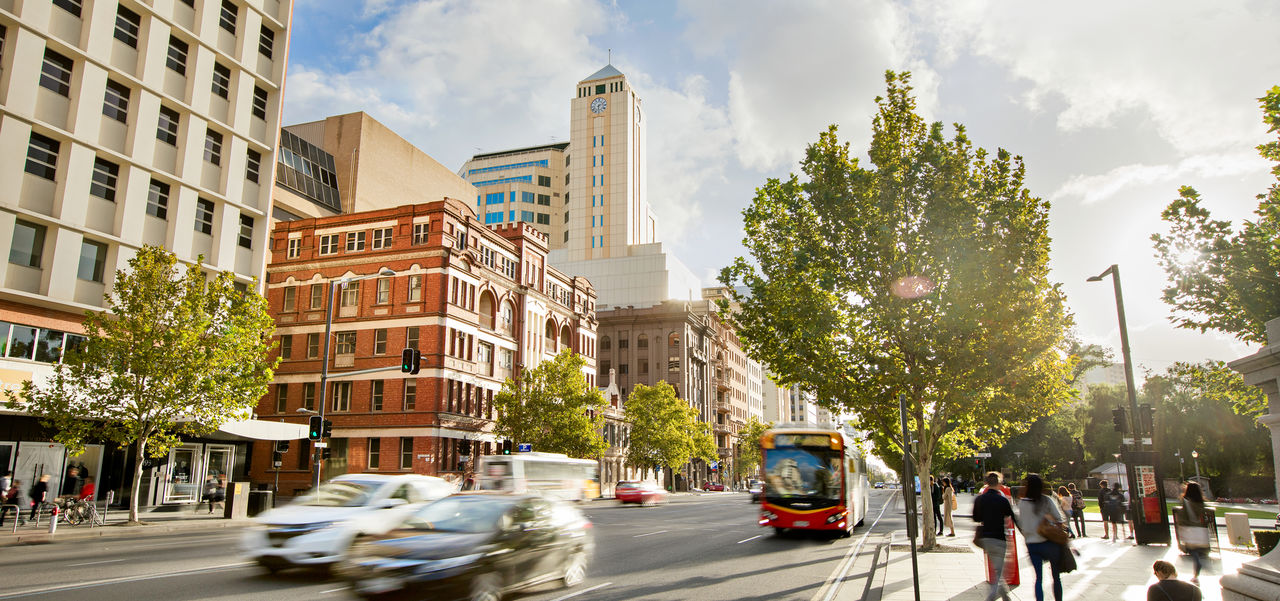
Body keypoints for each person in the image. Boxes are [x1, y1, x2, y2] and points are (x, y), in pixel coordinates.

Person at [1016, 473, 1067, 601]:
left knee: (1038, 579)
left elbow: (1022, 524)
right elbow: (1059, 520)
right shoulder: (1046, 500)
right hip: (1049, 542)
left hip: (1032, 543)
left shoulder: (1022, 503)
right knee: (1056, 577)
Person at [973, 472, 1015, 601]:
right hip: (999, 537)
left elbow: (976, 518)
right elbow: (1010, 515)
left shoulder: (980, 499)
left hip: (986, 538)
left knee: (998, 569)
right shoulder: (1002, 500)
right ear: (999, 483)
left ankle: (1005, 595)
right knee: (999, 569)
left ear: (986, 483)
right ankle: (992, 596)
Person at [1178, 481, 1211, 585]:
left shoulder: (1185, 502)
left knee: (1192, 550)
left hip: (1190, 529)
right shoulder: (1201, 502)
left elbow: (1183, 516)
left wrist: (1181, 527)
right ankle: (1198, 568)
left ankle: (1197, 566)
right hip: (1200, 530)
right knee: (1197, 549)